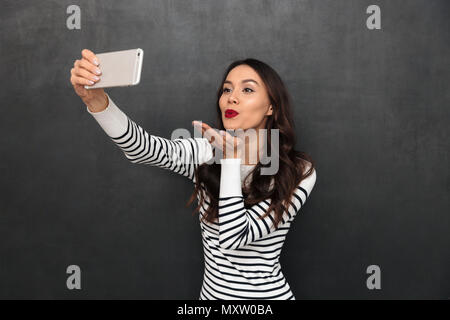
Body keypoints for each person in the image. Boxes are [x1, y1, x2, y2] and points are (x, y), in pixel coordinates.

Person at [70, 49, 317, 300]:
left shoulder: (298, 171)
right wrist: (96, 101)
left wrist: (231, 160)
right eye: (227, 89)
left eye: (248, 90)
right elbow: (142, 148)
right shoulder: (205, 152)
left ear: (271, 106)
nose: (231, 98)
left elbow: (234, 236)